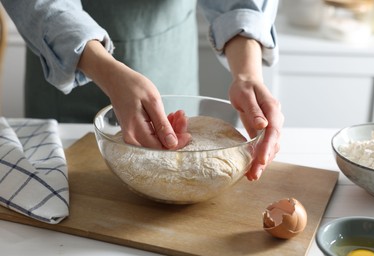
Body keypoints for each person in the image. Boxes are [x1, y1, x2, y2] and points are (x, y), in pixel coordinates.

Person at [1, 0, 284, 181]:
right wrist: (104, 68)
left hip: (169, 54)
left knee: (179, 170)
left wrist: (247, 73)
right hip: (63, 61)